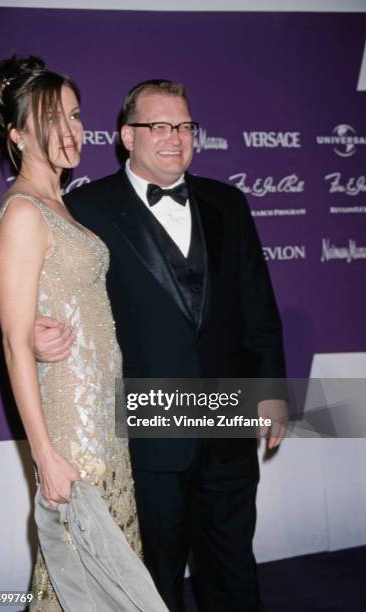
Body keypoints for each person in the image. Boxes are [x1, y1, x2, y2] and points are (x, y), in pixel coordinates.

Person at [34, 79, 287, 612]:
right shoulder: (86, 209)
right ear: (127, 135)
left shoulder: (228, 203)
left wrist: (271, 390)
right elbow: (54, 290)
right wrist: (38, 328)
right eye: (160, 126)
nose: (175, 138)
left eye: (185, 126)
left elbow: (257, 308)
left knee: (233, 568)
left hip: (227, 425)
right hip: (145, 434)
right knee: (154, 580)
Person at [0, 58, 168, 612]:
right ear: (17, 134)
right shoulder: (22, 212)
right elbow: (16, 342)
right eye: (50, 119)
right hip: (72, 431)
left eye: (74, 114)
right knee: (74, 578)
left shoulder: (59, 204)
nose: (70, 131)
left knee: (104, 576)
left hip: (102, 422)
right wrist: (44, 454)